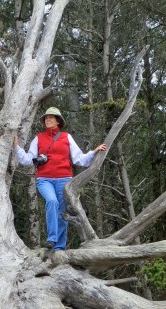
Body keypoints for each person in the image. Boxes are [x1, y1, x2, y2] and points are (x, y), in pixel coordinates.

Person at [14, 107, 106, 251]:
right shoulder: (39, 138)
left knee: (63, 212)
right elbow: (27, 160)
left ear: (58, 121)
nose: (48, 119)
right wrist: (16, 147)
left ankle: (59, 248)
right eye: (46, 118)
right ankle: (52, 238)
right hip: (44, 179)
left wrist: (94, 152)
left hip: (64, 180)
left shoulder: (66, 137)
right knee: (51, 201)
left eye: (51, 117)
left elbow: (79, 159)